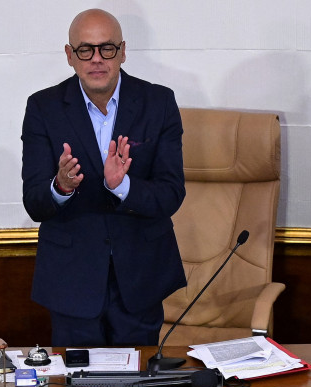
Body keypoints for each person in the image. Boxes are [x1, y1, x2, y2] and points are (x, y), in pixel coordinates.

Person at [21, 9, 187, 347]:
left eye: (107, 49)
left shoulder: (158, 102)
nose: (97, 59)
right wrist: (60, 187)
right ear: (70, 56)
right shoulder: (43, 108)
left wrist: (122, 186)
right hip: (72, 280)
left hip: (140, 277)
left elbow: (171, 193)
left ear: (123, 51)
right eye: (86, 50)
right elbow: (35, 202)